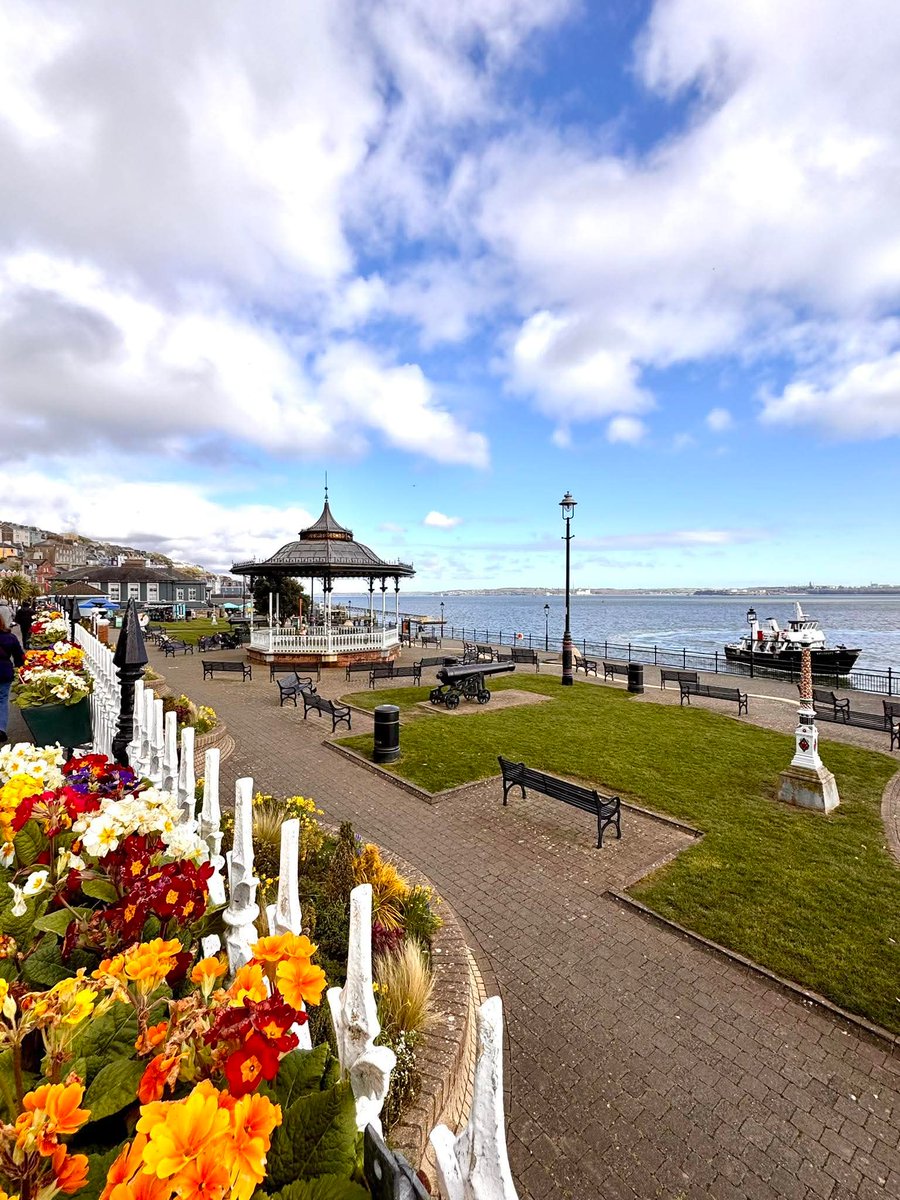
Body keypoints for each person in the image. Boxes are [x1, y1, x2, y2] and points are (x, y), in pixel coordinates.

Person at [0, 614, 25, 744]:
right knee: (2, 700)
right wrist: (19, 668)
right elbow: (19, 656)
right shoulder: (9, 637)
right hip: (4, 671)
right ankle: (1, 729)